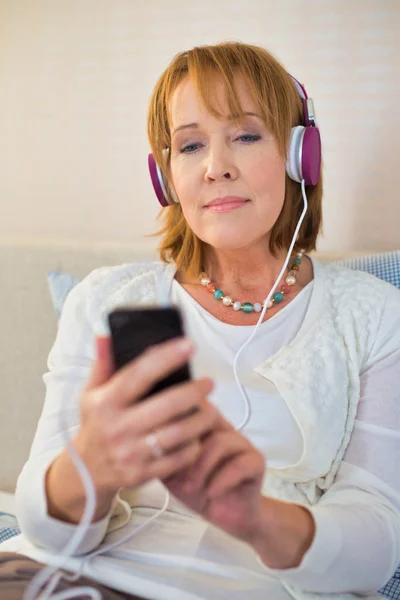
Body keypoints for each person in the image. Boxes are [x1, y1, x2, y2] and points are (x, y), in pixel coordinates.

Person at [0, 41, 399, 600]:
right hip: (73, 577)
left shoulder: (377, 316)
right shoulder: (104, 300)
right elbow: (44, 529)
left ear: (298, 155)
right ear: (166, 177)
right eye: (190, 145)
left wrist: (256, 517)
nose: (216, 168)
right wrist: (90, 464)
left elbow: (376, 542)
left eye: (245, 135)